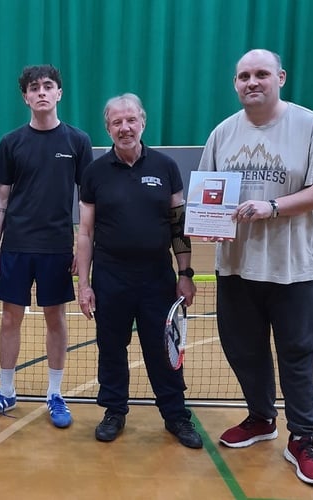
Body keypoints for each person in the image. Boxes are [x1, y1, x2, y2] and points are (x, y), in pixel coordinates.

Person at [198, 49, 313, 484]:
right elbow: (208, 193)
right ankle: (261, 418)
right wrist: (207, 222)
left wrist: (273, 206)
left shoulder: (310, 125)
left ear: (280, 77)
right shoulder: (222, 133)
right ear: (235, 83)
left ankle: (303, 436)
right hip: (235, 267)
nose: (253, 81)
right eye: (244, 75)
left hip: (294, 269)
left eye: (262, 74)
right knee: (245, 351)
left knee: (298, 356)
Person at [75, 93, 202, 448]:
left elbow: (179, 226)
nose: (125, 127)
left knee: (164, 350)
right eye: (117, 122)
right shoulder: (94, 173)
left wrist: (186, 273)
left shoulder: (165, 167)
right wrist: (84, 284)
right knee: (111, 348)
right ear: (108, 128)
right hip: (111, 277)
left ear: (143, 121)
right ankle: (114, 411)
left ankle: (176, 416)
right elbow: (85, 233)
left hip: (157, 278)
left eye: (130, 120)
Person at [0, 65, 92, 428]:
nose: (41, 92)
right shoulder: (11, 142)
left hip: (57, 248)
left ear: (59, 93)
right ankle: (6, 391)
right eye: (33, 88)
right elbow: (1, 199)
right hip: (17, 247)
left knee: (55, 318)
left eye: (48, 86)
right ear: (25, 97)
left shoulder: (78, 141)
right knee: (11, 318)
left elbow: (87, 202)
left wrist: (81, 250)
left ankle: (55, 394)